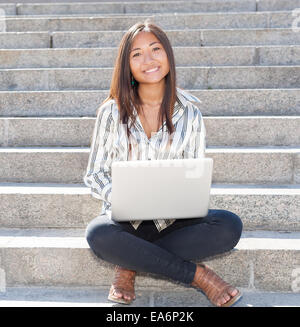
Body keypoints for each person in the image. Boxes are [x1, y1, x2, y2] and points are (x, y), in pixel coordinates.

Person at [83, 19, 243, 307]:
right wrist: (123, 199)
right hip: (125, 222)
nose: (148, 60)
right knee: (98, 234)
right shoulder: (111, 112)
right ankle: (199, 277)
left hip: (172, 220)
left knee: (229, 226)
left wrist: (184, 196)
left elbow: (194, 172)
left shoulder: (191, 114)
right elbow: (95, 174)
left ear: (168, 54)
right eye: (137, 54)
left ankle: (129, 262)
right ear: (127, 66)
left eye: (155, 49)